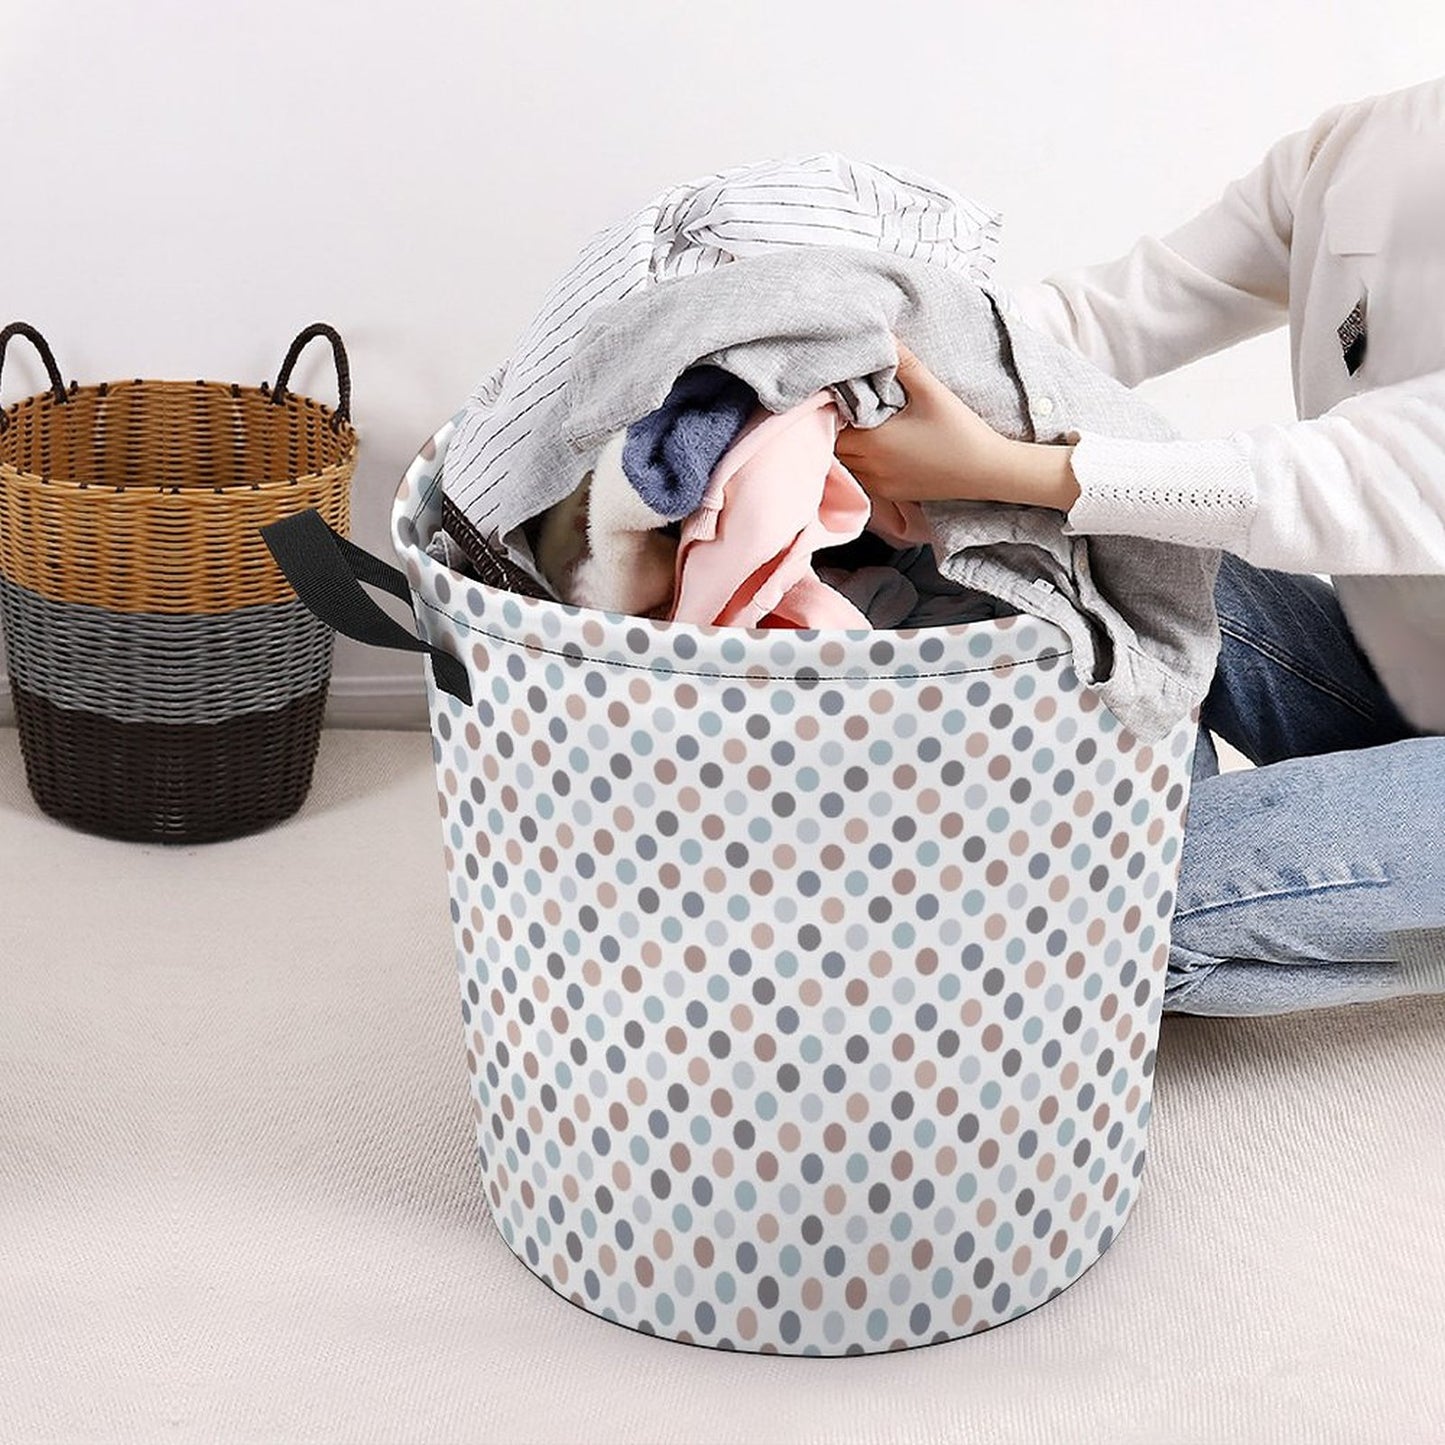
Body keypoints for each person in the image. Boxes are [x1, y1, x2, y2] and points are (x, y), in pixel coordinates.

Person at [835, 75, 1445, 1016]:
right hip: (1403, 684)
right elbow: (1105, 319)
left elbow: (1352, 473)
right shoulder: (1364, 146)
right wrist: (867, 367)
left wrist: (1004, 465)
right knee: (1067, 549)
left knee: (1100, 915)